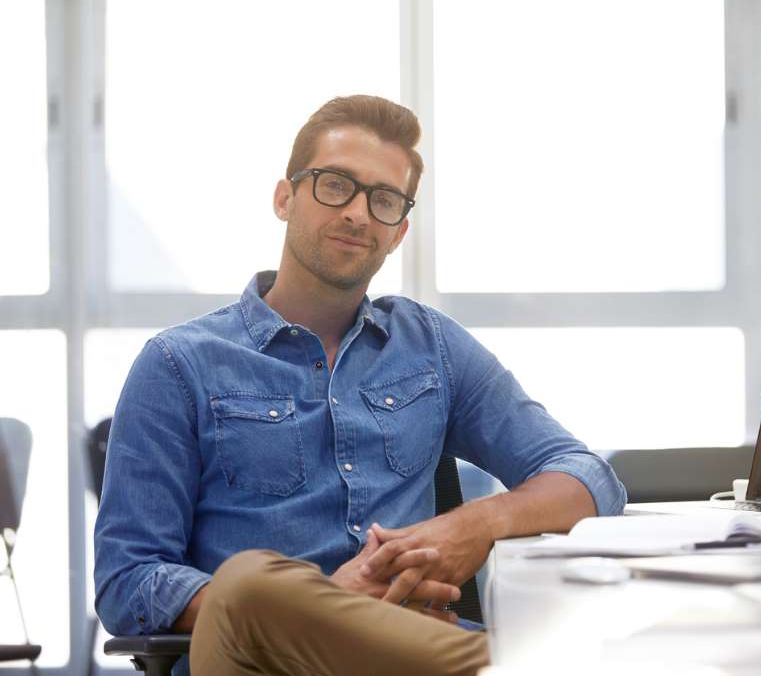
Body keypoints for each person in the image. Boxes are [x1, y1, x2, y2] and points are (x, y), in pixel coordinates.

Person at [94, 94, 626, 676]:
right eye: (335, 184)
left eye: (384, 199)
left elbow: (588, 477)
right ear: (284, 198)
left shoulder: (431, 347)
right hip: (262, 659)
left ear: (398, 231)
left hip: (415, 648)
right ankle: (536, 665)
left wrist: (474, 525)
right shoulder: (179, 363)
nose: (357, 213)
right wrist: (319, 603)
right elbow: (128, 580)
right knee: (247, 583)